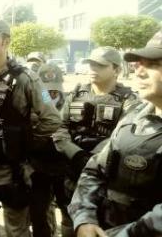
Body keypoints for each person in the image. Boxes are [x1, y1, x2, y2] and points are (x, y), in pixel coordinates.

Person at [0, 18, 61, 237]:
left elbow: (52, 119)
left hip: (12, 171)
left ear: (6, 41)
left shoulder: (27, 78)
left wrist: (24, 143)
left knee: (16, 231)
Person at [68, 31, 162, 236]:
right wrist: (85, 218)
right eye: (139, 64)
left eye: (154, 64)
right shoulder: (135, 114)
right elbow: (95, 169)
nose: (139, 72)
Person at [53, 47, 138, 233]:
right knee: (68, 224)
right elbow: (59, 127)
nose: (93, 69)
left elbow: (125, 138)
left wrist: (92, 159)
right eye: (90, 64)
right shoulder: (76, 94)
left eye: (100, 65)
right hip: (71, 172)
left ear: (116, 69)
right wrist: (75, 154)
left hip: (103, 180)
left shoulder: (128, 100)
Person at [29, 63, 71, 236]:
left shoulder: (72, 102)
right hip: (40, 168)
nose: (52, 94)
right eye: (47, 90)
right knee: (38, 214)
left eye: (55, 90)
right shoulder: (32, 104)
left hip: (65, 169)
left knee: (69, 212)